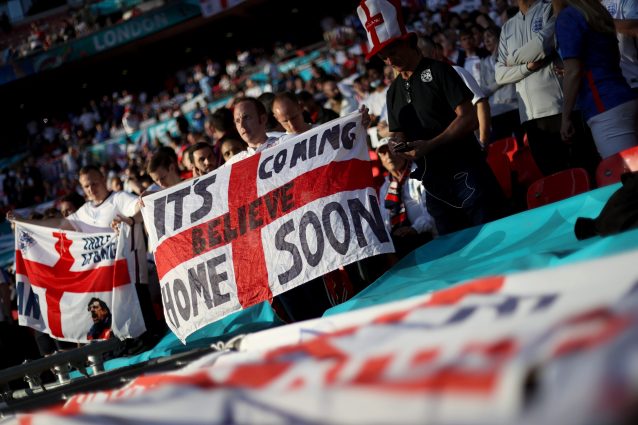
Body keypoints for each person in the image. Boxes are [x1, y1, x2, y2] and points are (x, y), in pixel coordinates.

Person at [357, 0, 506, 235]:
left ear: (409, 43)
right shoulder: (393, 91)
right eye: (384, 57)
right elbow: (398, 133)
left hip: (466, 171)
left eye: (392, 52)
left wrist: (430, 144)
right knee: (457, 248)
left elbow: (469, 118)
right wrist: (396, 144)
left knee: (494, 235)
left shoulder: (440, 71)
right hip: (434, 184)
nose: (389, 61)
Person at [495, 0, 597, 175]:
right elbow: (500, 75)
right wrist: (527, 67)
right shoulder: (507, 27)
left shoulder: (550, 8)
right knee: (553, 177)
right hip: (530, 118)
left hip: (559, 108)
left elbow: (543, 45)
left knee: (582, 171)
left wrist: (511, 60)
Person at [554, 0, 638, 158]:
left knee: (623, 170)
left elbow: (573, 71)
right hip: (625, 95)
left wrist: (565, 117)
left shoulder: (568, 16)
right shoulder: (597, 11)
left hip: (604, 106)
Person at [377, 137, 436, 258]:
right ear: (381, 160)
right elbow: (385, 220)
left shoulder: (419, 172)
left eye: (391, 151)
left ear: (401, 152)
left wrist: (414, 229)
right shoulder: (385, 187)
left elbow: (433, 212)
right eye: (383, 153)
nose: (388, 156)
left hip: (427, 238)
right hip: (401, 243)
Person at [479, 26, 522, 143]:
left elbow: (514, 76)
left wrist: (497, 83)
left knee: (521, 142)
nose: (486, 41)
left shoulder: (510, 55)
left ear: (499, 37)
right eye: (484, 39)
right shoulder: (484, 62)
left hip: (515, 106)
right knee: (502, 146)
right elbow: (484, 90)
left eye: (489, 36)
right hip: (496, 110)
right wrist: (502, 79)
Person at [602, 0, 638, 92]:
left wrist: (602, 22)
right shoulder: (593, 6)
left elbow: (634, 27)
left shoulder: (627, 1)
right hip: (608, 82)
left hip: (631, 79)